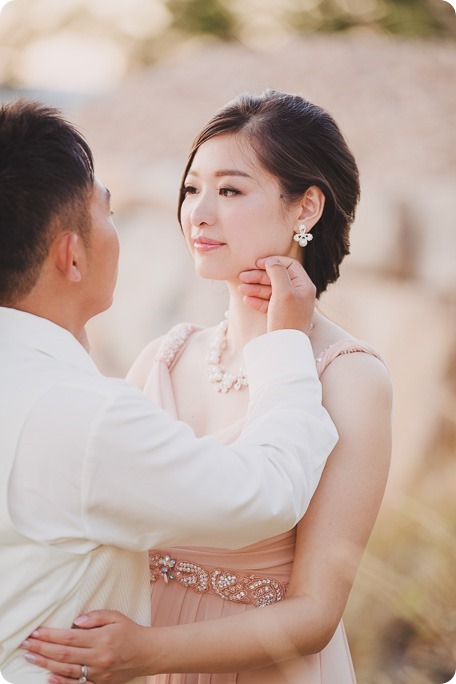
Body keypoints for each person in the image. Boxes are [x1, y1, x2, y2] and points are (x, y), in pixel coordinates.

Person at [22, 90, 392, 683]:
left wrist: (147, 653)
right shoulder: (164, 358)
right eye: (192, 188)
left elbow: (317, 614)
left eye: (230, 190)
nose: (197, 212)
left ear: (306, 208)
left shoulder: (350, 376)